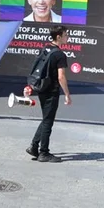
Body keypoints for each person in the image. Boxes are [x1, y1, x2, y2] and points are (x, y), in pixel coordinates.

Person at [23, 25, 72, 163]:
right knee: (48, 121)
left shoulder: (45, 48)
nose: (67, 37)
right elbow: (61, 77)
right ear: (59, 37)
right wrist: (67, 94)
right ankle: (44, 152)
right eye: (65, 34)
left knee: (46, 119)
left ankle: (34, 146)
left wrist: (30, 86)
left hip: (42, 88)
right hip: (51, 90)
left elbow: (37, 68)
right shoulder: (59, 54)